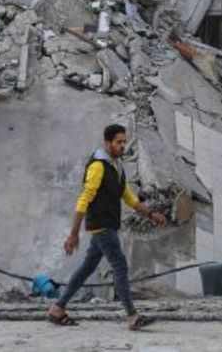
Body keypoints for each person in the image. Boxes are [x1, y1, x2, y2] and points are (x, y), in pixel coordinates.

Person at [48, 124, 168, 330]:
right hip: (101, 226)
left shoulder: (116, 165)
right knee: (120, 266)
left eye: (124, 141)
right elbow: (84, 198)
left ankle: (57, 308)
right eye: (118, 142)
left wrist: (150, 213)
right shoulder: (98, 166)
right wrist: (73, 234)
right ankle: (132, 316)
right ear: (107, 143)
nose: (123, 145)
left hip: (106, 225)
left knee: (87, 267)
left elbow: (128, 197)